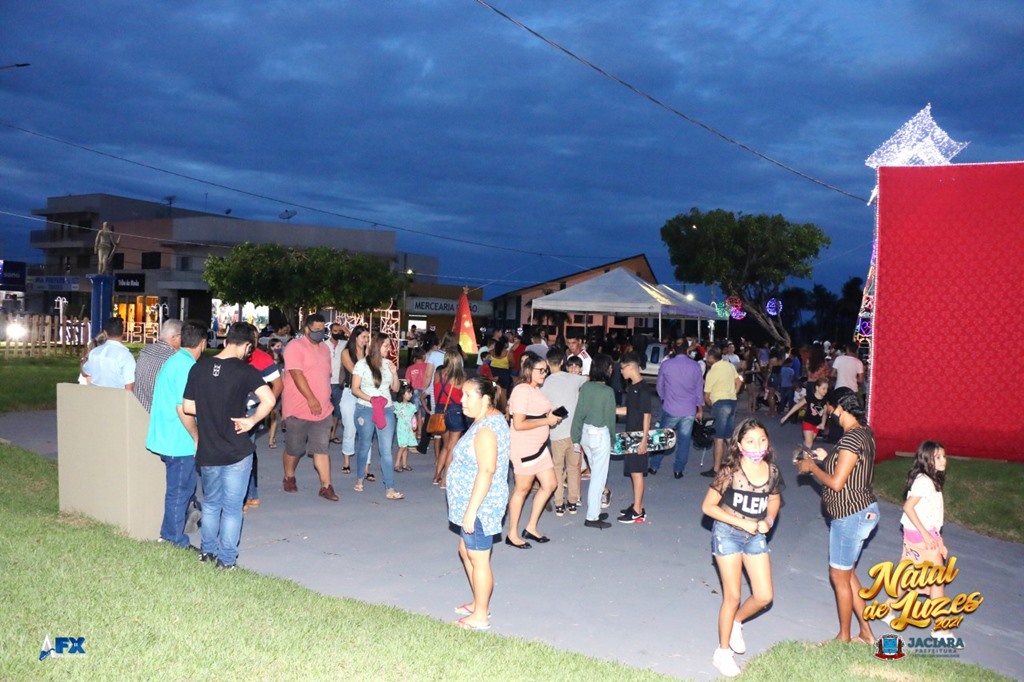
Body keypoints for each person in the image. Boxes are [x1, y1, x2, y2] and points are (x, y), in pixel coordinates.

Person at [183, 322, 276, 569]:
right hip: (237, 450)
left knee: (211, 503)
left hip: (209, 448)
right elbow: (269, 399)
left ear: (226, 341)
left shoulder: (199, 368)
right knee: (232, 508)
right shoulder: (246, 371)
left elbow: (188, 407)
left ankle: (207, 552)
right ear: (247, 346)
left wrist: (210, 407)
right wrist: (252, 421)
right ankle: (226, 560)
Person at [795, 387, 879, 644]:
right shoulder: (863, 432)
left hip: (850, 514)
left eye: (830, 410)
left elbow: (836, 483)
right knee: (848, 574)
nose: (829, 415)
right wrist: (827, 457)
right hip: (862, 510)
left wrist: (812, 467)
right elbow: (850, 465)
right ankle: (866, 633)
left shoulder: (852, 438)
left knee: (839, 576)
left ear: (840, 408)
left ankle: (843, 638)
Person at [701, 418, 783, 678]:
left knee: (764, 596)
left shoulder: (772, 471)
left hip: (755, 536)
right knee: (733, 595)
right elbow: (708, 507)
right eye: (750, 441)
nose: (757, 446)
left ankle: (737, 621)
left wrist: (769, 520)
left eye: (762, 440)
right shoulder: (730, 472)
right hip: (728, 534)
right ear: (738, 444)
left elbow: (774, 500)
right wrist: (741, 522)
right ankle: (722, 653)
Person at [446, 377, 510, 630]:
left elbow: (487, 470)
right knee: (466, 550)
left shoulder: (486, 429)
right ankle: (478, 602)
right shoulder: (486, 419)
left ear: (485, 399)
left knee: (479, 558)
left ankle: (481, 616)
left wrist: (472, 511)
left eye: (468, 396)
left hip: (481, 505)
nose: (462, 400)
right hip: (472, 503)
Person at [145, 321, 207, 549]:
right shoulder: (186, 367)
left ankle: (173, 531)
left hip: (167, 436)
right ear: (203, 343)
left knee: (182, 489)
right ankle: (172, 538)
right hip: (178, 440)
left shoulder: (175, 361)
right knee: (179, 491)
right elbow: (184, 408)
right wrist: (196, 437)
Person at [885, 441, 951, 635]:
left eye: (944, 456)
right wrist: (926, 535)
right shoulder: (924, 482)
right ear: (926, 459)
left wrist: (938, 538)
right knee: (937, 580)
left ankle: (886, 609)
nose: (943, 460)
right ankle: (941, 628)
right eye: (937, 457)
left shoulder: (929, 479)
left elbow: (929, 514)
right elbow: (908, 507)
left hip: (919, 534)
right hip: (921, 536)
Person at [505, 351, 561, 547]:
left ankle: (530, 527)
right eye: (541, 370)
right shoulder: (522, 390)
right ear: (529, 370)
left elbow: (536, 414)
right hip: (525, 448)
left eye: (546, 370)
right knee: (522, 489)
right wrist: (547, 420)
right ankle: (512, 534)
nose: (544, 374)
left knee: (550, 484)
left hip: (539, 448)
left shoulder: (535, 389)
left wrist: (550, 416)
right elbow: (519, 423)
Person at [280, 313, 338, 502]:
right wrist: (311, 399)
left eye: (322, 329)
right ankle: (289, 476)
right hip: (298, 409)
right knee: (295, 449)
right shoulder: (294, 347)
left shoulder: (325, 349)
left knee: (322, 449)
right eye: (316, 330)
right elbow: (296, 374)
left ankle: (326, 486)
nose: (319, 333)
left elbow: (326, 375)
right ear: (307, 329)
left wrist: (324, 397)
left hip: (323, 410)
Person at [351, 332, 404, 500]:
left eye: (389, 346)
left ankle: (390, 488)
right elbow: (355, 388)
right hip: (365, 408)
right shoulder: (362, 364)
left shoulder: (388, 364)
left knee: (386, 449)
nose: (388, 349)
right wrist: (372, 399)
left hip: (386, 409)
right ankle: (360, 478)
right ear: (377, 346)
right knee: (364, 445)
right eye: (386, 346)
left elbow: (395, 389)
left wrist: (394, 373)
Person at [571, 353, 616, 530]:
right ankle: (592, 516)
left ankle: (595, 510)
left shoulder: (586, 387)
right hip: (600, 435)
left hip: (585, 435)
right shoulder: (607, 391)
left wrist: (575, 438)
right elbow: (610, 419)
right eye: (610, 367)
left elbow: (578, 413)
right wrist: (613, 439)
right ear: (606, 369)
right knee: (598, 477)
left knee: (596, 474)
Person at [540, 346, 586, 516]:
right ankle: (572, 502)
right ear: (562, 362)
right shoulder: (574, 379)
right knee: (573, 468)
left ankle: (559, 503)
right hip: (574, 434)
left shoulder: (544, 383)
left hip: (556, 434)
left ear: (547, 362)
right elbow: (589, 379)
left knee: (557, 469)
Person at [651, 340, 704, 478]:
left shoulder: (666, 365)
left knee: (662, 438)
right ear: (687, 350)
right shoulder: (695, 366)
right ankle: (678, 470)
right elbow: (699, 389)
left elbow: (659, 386)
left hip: (670, 407)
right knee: (684, 441)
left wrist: (665, 398)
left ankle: (654, 466)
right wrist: (700, 408)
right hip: (689, 410)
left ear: (674, 349)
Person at [244, 337, 284, 511]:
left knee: (246, 451)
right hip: (234, 408)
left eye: (255, 338)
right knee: (245, 452)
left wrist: (266, 407)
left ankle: (247, 495)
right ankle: (249, 494)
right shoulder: (231, 357)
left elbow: (278, 385)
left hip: (252, 409)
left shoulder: (262, 358)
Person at [616, 352, 652, 524]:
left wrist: (644, 440)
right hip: (631, 436)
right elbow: (628, 410)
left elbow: (647, 415)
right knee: (633, 472)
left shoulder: (643, 389)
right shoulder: (632, 388)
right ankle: (638, 505)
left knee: (637, 473)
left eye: (622, 368)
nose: (621, 371)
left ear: (630, 367)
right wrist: (608, 408)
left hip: (638, 437)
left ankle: (637, 511)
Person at [702, 347, 743, 478]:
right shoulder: (729, 366)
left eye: (707, 357)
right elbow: (739, 381)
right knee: (728, 436)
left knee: (718, 438)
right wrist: (734, 393)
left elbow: (706, 395)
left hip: (720, 404)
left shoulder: (712, 372)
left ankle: (716, 468)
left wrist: (711, 404)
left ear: (711, 358)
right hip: (731, 402)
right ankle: (737, 463)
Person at [432, 348, 467, 488]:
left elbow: (435, 392)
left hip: (440, 410)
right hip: (455, 411)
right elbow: (464, 396)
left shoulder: (438, 374)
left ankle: (436, 476)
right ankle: (446, 479)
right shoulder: (460, 377)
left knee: (445, 446)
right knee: (452, 447)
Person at [339, 325, 370, 475]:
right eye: (363, 337)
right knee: (350, 428)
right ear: (355, 337)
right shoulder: (346, 352)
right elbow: (354, 371)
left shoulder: (368, 353)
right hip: (350, 392)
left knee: (367, 430)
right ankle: (346, 461)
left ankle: (366, 466)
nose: (366, 340)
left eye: (368, 337)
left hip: (366, 393)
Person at [133, 319, 183, 412]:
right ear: (174, 337)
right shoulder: (173, 358)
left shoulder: (145, 350)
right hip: (159, 415)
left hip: (139, 409)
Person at [82, 317, 136, 390]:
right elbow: (129, 387)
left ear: (105, 333)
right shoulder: (126, 356)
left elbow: (84, 373)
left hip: (95, 395)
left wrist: (83, 360)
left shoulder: (94, 352)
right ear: (123, 331)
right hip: (116, 396)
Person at [780, 378, 829, 449]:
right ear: (817, 388)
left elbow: (824, 413)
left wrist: (823, 423)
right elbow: (797, 406)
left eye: (827, 389)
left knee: (808, 442)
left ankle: (798, 450)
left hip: (817, 425)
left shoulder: (825, 400)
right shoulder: (810, 397)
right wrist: (786, 416)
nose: (825, 391)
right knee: (809, 443)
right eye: (823, 388)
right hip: (807, 422)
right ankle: (805, 456)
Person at [327, 321, 348, 445]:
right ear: (330, 331)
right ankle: (324, 434)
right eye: (335, 331)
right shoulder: (324, 345)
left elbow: (357, 340)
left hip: (339, 382)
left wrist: (345, 330)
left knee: (337, 410)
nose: (337, 333)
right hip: (325, 382)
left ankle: (332, 434)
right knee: (325, 410)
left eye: (339, 331)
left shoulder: (344, 344)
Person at [393, 383, 417, 473]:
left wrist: (414, 424)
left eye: (411, 393)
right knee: (402, 446)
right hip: (402, 428)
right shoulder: (398, 405)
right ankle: (397, 464)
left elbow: (413, 416)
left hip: (408, 429)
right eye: (408, 393)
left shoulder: (412, 406)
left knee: (405, 446)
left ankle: (404, 464)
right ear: (402, 393)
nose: (410, 395)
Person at [266, 339, 285, 448]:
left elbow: (283, 375)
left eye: (280, 346)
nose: (279, 348)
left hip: (278, 389)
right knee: (268, 414)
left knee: (275, 413)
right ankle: (270, 433)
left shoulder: (282, 361)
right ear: (271, 347)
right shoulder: (267, 360)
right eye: (277, 346)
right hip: (267, 388)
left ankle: (271, 438)